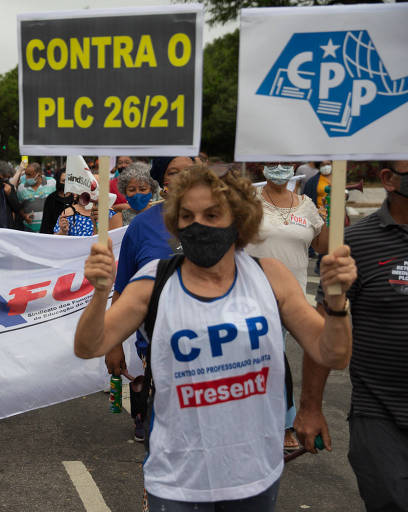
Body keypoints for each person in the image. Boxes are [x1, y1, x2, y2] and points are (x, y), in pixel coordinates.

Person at [75, 165, 355, 510]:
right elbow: (88, 345)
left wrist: (337, 303)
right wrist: (98, 293)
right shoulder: (156, 280)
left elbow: (334, 355)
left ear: (239, 219)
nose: (199, 224)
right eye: (187, 215)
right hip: (178, 479)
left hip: (253, 475)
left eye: (212, 214)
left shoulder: (270, 277)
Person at [294, 160, 408, 511]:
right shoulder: (352, 246)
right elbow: (324, 325)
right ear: (388, 180)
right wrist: (310, 408)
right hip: (382, 414)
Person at [245, 163, 329, 451]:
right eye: (272, 162)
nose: (279, 168)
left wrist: (331, 216)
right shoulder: (248, 202)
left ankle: (280, 425)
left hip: (292, 298)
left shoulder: (307, 206)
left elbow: (323, 246)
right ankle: (279, 424)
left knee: (274, 361)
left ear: (293, 167)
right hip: (253, 295)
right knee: (268, 360)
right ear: (262, 167)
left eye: (285, 162)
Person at [54, 194, 122, 236]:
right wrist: (62, 232)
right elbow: (55, 242)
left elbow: (116, 240)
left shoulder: (110, 213)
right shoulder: (69, 213)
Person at [116, 162, 161, 226]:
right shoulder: (119, 219)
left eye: (142, 189)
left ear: (152, 190)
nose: (137, 194)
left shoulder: (161, 215)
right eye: (132, 190)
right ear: (124, 191)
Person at [16, 162, 56, 232]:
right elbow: (18, 206)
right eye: (26, 174)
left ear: (39, 174)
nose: (26, 178)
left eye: (29, 175)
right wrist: (24, 216)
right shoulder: (21, 187)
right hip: (29, 229)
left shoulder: (52, 182)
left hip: (49, 228)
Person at [40, 168, 74, 234]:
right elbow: (45, 225)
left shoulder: (76, 198)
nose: (66, 183)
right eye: (63, 181)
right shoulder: (51, 199)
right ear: (58, 181)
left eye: (69, 180)